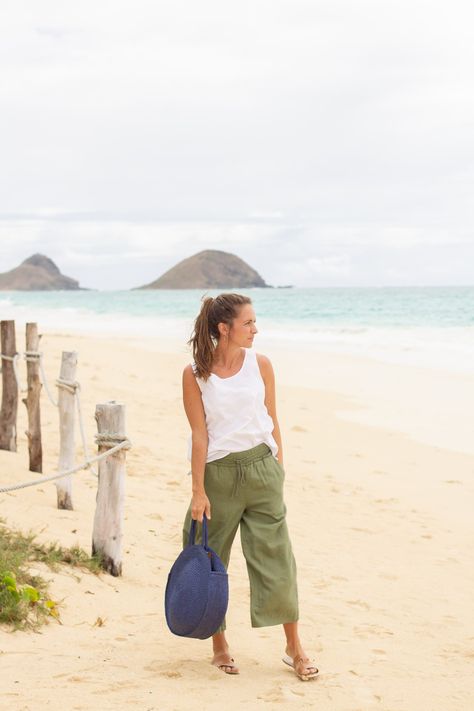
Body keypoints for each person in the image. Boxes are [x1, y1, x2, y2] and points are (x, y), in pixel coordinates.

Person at [181, 293, 318, 681]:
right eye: (249, 323)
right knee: (210, 557)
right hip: (218, 476)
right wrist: (198, 489)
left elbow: (272, 417)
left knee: (277, 559)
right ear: (224, 328)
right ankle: (219, 645)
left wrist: (279, 468)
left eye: (255, 323)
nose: (256, 329)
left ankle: (294, 648)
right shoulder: (195, 374)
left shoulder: (261, 365)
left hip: (262, 471)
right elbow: (198, 435)